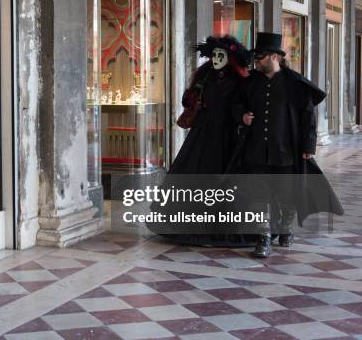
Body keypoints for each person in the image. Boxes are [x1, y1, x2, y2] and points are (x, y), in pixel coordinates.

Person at [230, 32, 344, 258]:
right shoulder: (249, 83)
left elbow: (308, 117)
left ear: (274, 57)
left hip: (286, 151)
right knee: (259, 195)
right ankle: (264, 238)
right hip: (256, 151)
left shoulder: (295, 83)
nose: (256, 61)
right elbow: (234, 105)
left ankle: (285, 227)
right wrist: (241, 116)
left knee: (287, 195)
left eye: (260, 57)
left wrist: (308, 146)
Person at [147, 36, 250, 245]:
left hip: (227, 134)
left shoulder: (239, 80)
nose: (216, 59)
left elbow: (240, 104)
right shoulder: (204, 76)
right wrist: (192, 96)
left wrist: (241, 117)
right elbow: (190, 99)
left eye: (221, 55)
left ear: (230, 58)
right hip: (203, 132)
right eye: (213, 55)